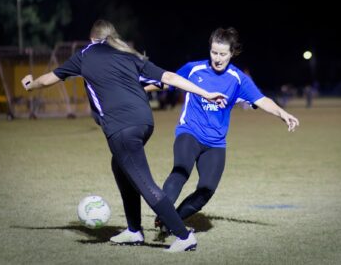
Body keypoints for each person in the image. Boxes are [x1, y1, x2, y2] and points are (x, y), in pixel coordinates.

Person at [21, 19, 227, 252]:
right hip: (145, 122)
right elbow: (169, 77)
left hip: (121, 128)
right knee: (120, 166)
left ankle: (183, 236)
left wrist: (31, 84)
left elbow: (51, 78)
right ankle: (133, 230)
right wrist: (205, 93)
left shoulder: (85, 54)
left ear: (92, 39)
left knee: (144, 182)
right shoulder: (129, 54)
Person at [150, 27, 299, 238]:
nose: (217, 58)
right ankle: (165, 215)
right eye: (214, 52)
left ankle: (170, 220)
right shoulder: (193, 69)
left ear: (232, 53)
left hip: (215, 143)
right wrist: (139, 88)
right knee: (181, 171)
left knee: (207, 190)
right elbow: (167, 82)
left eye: (222, 54)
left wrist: (282, 113)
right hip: (189, 132)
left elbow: (261, 100)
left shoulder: (238, 79)